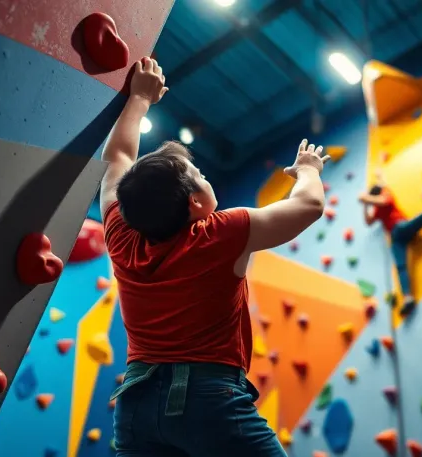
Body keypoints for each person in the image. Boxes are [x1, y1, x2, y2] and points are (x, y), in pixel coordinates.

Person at [100, 56, 330, 457]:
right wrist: (308, 170)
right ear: (195, 201)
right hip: (208, 400)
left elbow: (117, 157)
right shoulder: (220, 234)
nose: (206, 177)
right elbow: (308, 206)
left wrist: (137, 99)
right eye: (200, 175)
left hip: (136, 403)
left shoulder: (122, 237)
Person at [359, 171, 422, 315]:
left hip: (401, 227)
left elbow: (382, 195)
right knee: (401, 266)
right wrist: (365, 204)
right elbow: (368, 222)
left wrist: (368, 196)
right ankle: (408, 298)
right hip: (396, 237)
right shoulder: (376, 209)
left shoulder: (386, 196)